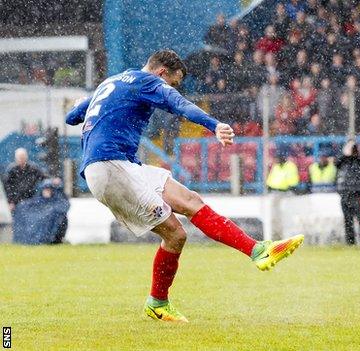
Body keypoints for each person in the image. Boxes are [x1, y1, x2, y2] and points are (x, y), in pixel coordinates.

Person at [65, 50, 304, 323]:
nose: (171, 88)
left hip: (122, 165)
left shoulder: (111, 82)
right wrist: (214, 125)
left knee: (190, 201)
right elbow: (180, 105)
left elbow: (72, 118)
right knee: (175, 235)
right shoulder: (149, 81)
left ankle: (258, 251)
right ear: (162, 73)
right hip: (110, 167)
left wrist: (86, 101)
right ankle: (157, 303)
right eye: (173, 83)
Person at [336, 140, 360, 245]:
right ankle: (350, 243)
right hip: (345, 195)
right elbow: (337, 163)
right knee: (348, 221)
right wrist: (346, 154)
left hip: (359, 195)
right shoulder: (344, 160)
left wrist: (358, 154)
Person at [2, 148, 45, 212]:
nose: (21, 159)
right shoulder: (11, 170)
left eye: (23, 157)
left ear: (26, 157)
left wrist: (53, 179)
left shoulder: (33, 168)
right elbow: (7, 187)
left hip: (31, 199)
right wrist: (11, 202)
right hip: (16, 201)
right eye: (19, 157)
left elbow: (43, 176)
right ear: (16, 158)